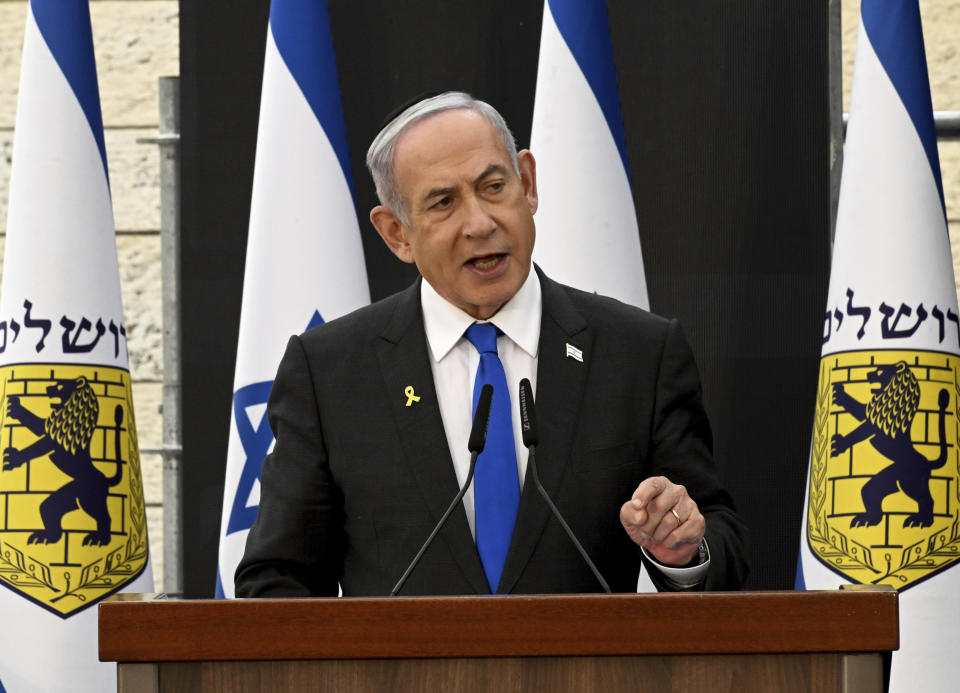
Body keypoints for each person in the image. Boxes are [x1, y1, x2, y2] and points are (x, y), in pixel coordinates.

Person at [235, 92, 748, 597]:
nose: (479, 223)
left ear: (527, 184)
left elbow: (721, 542)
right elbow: (277, 579)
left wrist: (684, 552)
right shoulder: (330, 372)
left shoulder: (640, 354)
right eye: (443, 202)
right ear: (397, 234)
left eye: (494, 187)